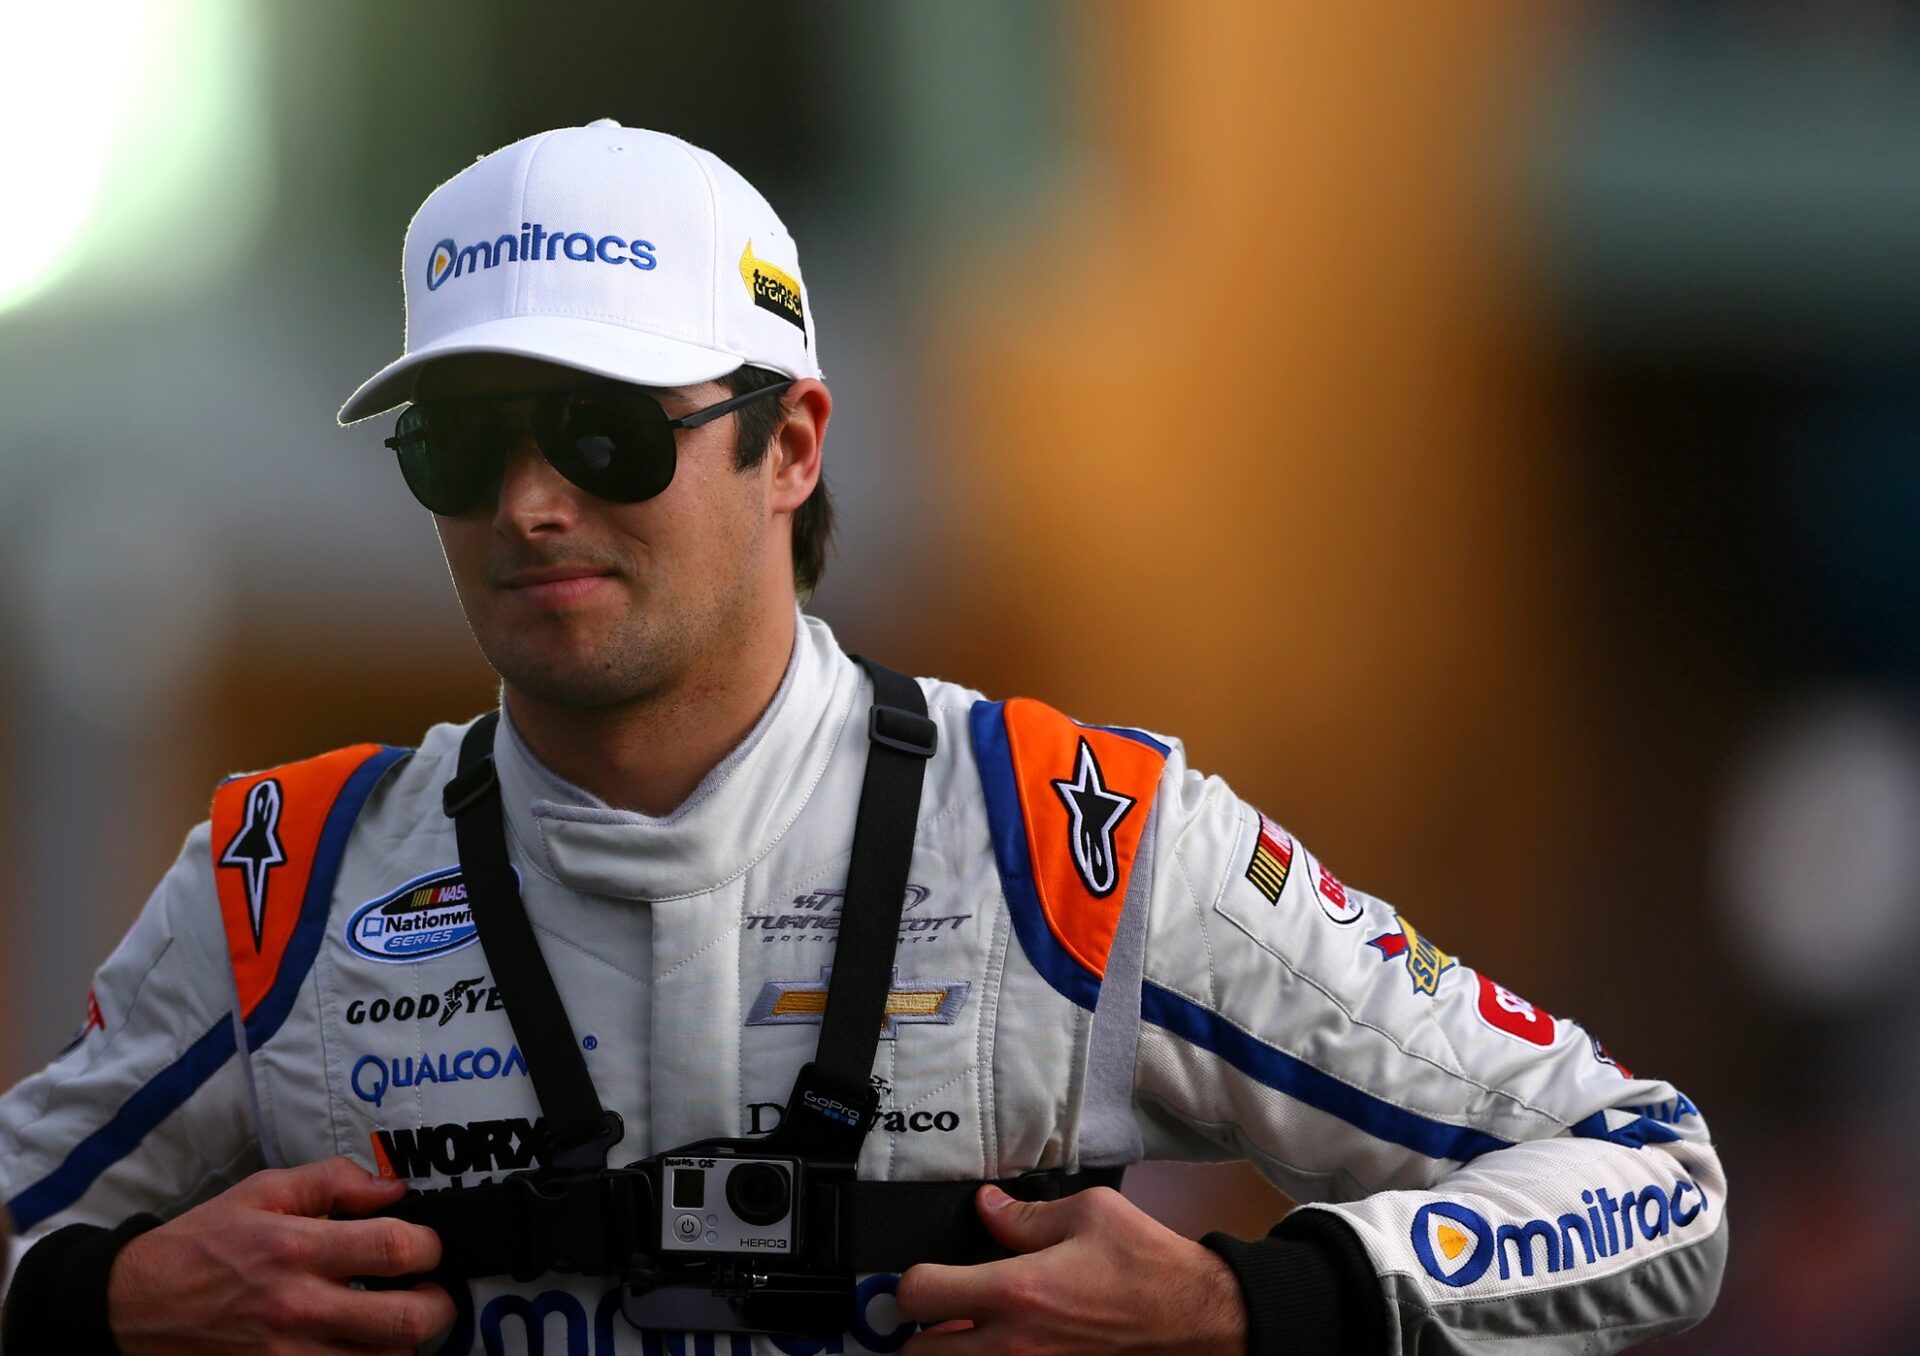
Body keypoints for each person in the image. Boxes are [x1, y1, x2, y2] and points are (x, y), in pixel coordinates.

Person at [0, 121, 1725, 1356]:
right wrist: (101, 1297)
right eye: (459, 447)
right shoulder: (281, 879)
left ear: (794, 444)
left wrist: (1244, 1305)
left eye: (602, 434)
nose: (527, 504)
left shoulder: (1074, 835)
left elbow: (1659, 1180)